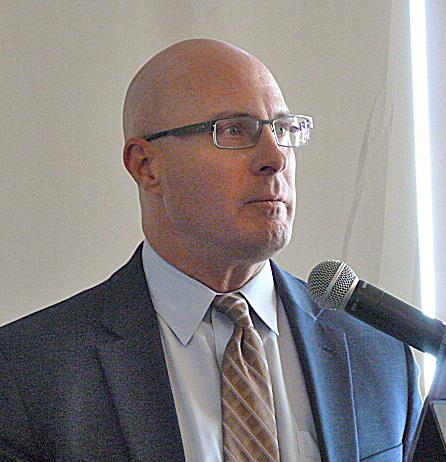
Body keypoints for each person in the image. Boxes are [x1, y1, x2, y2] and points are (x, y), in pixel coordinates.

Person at [0, 39, 421, 462]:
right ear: (146, 166)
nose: (275, 157)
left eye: (283, 130)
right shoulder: (29, 372)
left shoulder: (378, 352)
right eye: (234, 130)